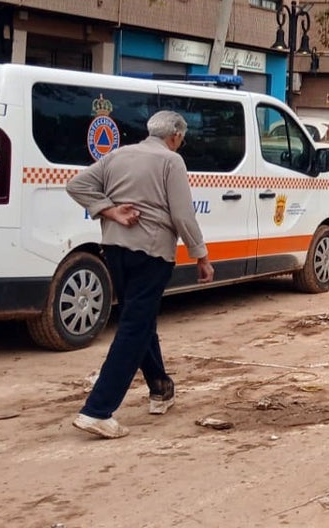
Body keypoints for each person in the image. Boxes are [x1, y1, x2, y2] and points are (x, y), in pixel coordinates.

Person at [66, 110, 214, 439]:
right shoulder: (171, 162)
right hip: (152, 252)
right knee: (134, 326)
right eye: (182, 138)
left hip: (115, 249)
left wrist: (109, 210)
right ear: (175, 136)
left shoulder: (117, 155)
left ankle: (160, 388)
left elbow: (76, 186)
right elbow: (182, 214)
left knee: (139, 319)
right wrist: (200, 254)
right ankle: (98, 410)